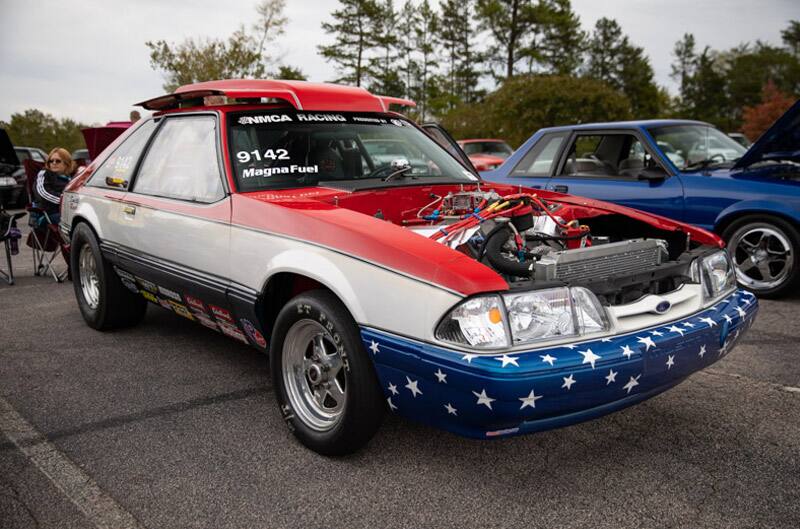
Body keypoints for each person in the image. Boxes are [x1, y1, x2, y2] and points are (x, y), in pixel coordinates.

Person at [33, 147, 74, 222]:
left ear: (66, 163)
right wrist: (65, 202)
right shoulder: (44, 173)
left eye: (58, 161)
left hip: (67, 211)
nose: (54, 163)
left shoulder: (71, 177)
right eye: (51, 161)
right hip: (47, 214)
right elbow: (43, 194)